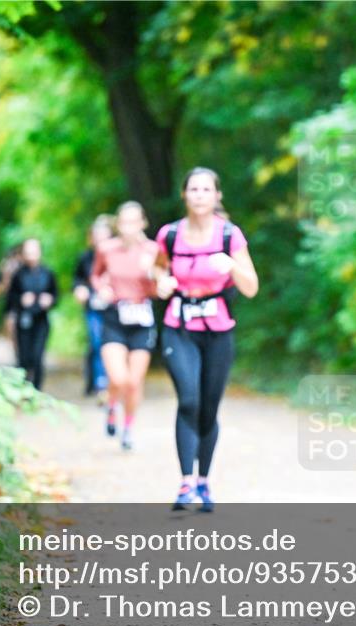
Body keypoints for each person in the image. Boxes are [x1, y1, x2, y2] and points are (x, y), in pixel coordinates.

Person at [153, 167, 258, 512]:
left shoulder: (230, 235)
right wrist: (161, 282)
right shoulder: (169, 235)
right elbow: (157, 268)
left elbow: (250, 287)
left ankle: (204, 482)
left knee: (209, 408)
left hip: (218, 329)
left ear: (217, 196)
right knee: (189, 400)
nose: (199, 195)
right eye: (193, 189)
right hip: (178, 327)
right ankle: (185, 482)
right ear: (184, 195)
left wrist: (230, 265)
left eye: (206, 189)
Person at [91, 202, 159, 450]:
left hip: (141, 319)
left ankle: (128, 427)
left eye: (134, 222)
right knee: (118, 378)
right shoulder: (107, 249)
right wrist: (103, 289)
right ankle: (111, 405)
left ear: (142, 224)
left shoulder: (153, 250)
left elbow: (161, 287)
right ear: (118, 224)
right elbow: (96, 275)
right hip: (114, 317)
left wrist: (152, 274)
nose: (129, 228)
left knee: (133, 381)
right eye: (124, 222)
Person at [6, 238, 58, 390]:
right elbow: (10, 299)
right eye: (28, 252)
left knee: (37, 356)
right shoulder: (18, 275)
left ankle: (37, 390)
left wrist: (49, 300)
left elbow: (56, 296)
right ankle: (23, 389)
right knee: (23, 357)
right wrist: (21, 300)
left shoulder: (48, 273)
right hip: (23, 320)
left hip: (41, 321)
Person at [74, 216, 114, 398]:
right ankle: (99, 382)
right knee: (96, 342)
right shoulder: (85, 258)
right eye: (97, 236)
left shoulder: (117, 255)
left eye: (104, 236)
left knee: (111, 344)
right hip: (93, 307)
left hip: (114, 307)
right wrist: (80, 289)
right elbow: (78, 280)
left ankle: (110, 381)